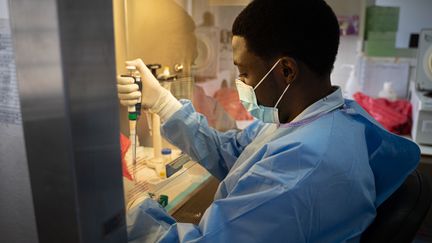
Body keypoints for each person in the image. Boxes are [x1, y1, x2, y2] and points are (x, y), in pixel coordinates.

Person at [117, 0, 420, 242]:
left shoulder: (304, 168)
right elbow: (234, 155)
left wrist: (134, 209)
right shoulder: (317, 118)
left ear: (286, 71)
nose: (240, 82)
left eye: (244, 72)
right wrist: (163, 102)